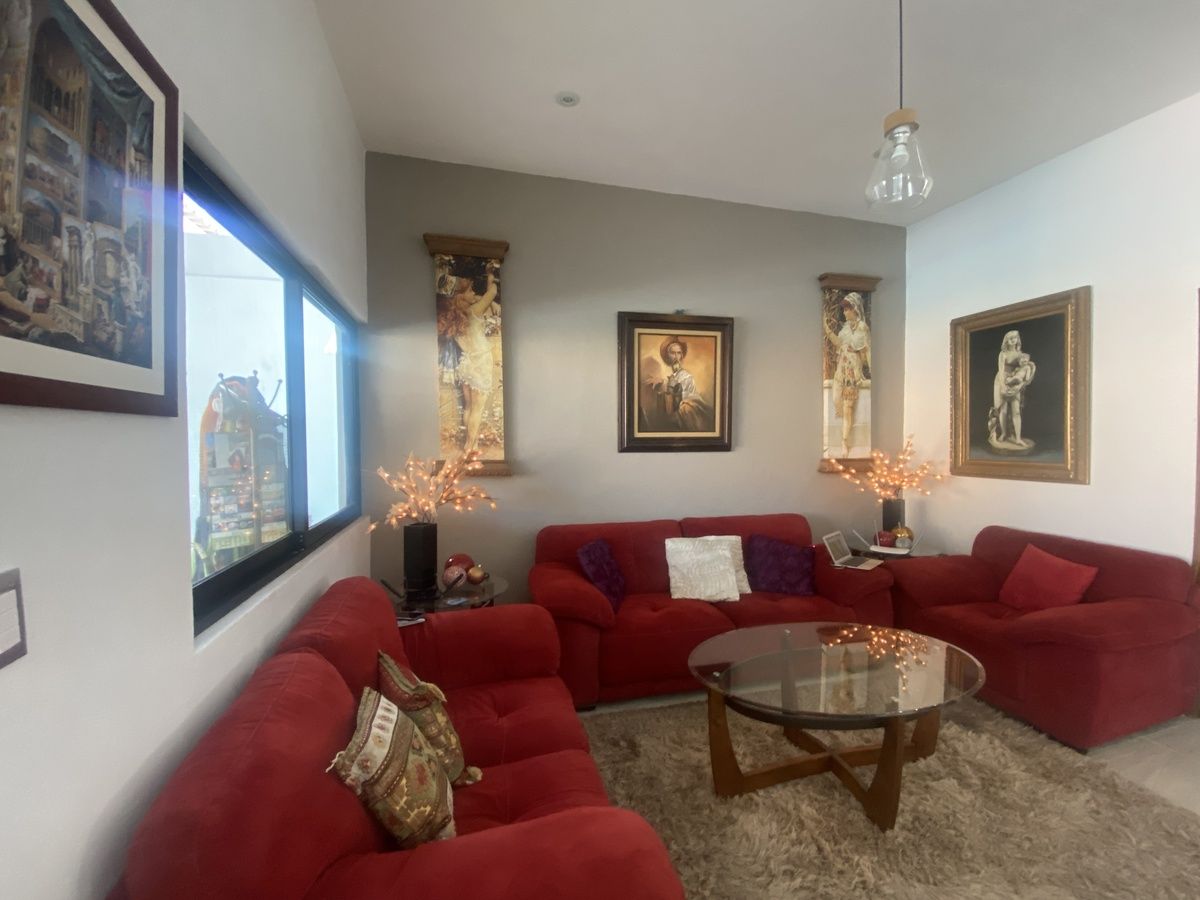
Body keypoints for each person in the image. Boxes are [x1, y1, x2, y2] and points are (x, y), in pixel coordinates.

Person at [439, 261, 500, 451]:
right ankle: (470, 447)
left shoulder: (454, 316)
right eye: (471, 291)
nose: (474, 293)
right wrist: (490, 274)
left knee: (468, 407)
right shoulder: (474, 311)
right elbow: (492, 293)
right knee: (477, 409)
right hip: (480, 362)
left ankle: (470, 443)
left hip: (467, 363)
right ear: (461, 296)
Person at [823, 291, 871, 456]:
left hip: (852, 372)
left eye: (846, 309)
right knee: (836, 400)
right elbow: (839, 343)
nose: (844, 312)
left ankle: (844, 442)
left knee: (848, 408)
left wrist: (870, 371)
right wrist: (827, 329)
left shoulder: (862, 328)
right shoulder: (844, 329)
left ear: (854, 309)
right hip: (840, 370)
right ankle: (843, 438)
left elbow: (866, 350)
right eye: (843, 309)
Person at [643, 336, 714, 432]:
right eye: (673, 353)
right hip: (676, 411)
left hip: (690, 409)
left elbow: (679, 387)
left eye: (679, 353)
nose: (676, 356)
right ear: (667, 355)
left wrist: (663, 382)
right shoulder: (667, 372)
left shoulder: (686, 375)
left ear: (682, 355)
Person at [988, 330, 1036, 449]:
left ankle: (1018, 438)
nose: (1013, 340)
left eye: (1015, 338)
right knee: (1003, 410)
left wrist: (1020, 384)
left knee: (1016, 410)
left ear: (1018, 339)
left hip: (1015, 382)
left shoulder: (1021, 354)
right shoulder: (1003, 354)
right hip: (1002, 380)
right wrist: (1003, 385)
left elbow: (1026, 370)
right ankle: (1004, 434)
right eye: (1010, 338)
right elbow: (1001, 370)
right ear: (1006, 341)